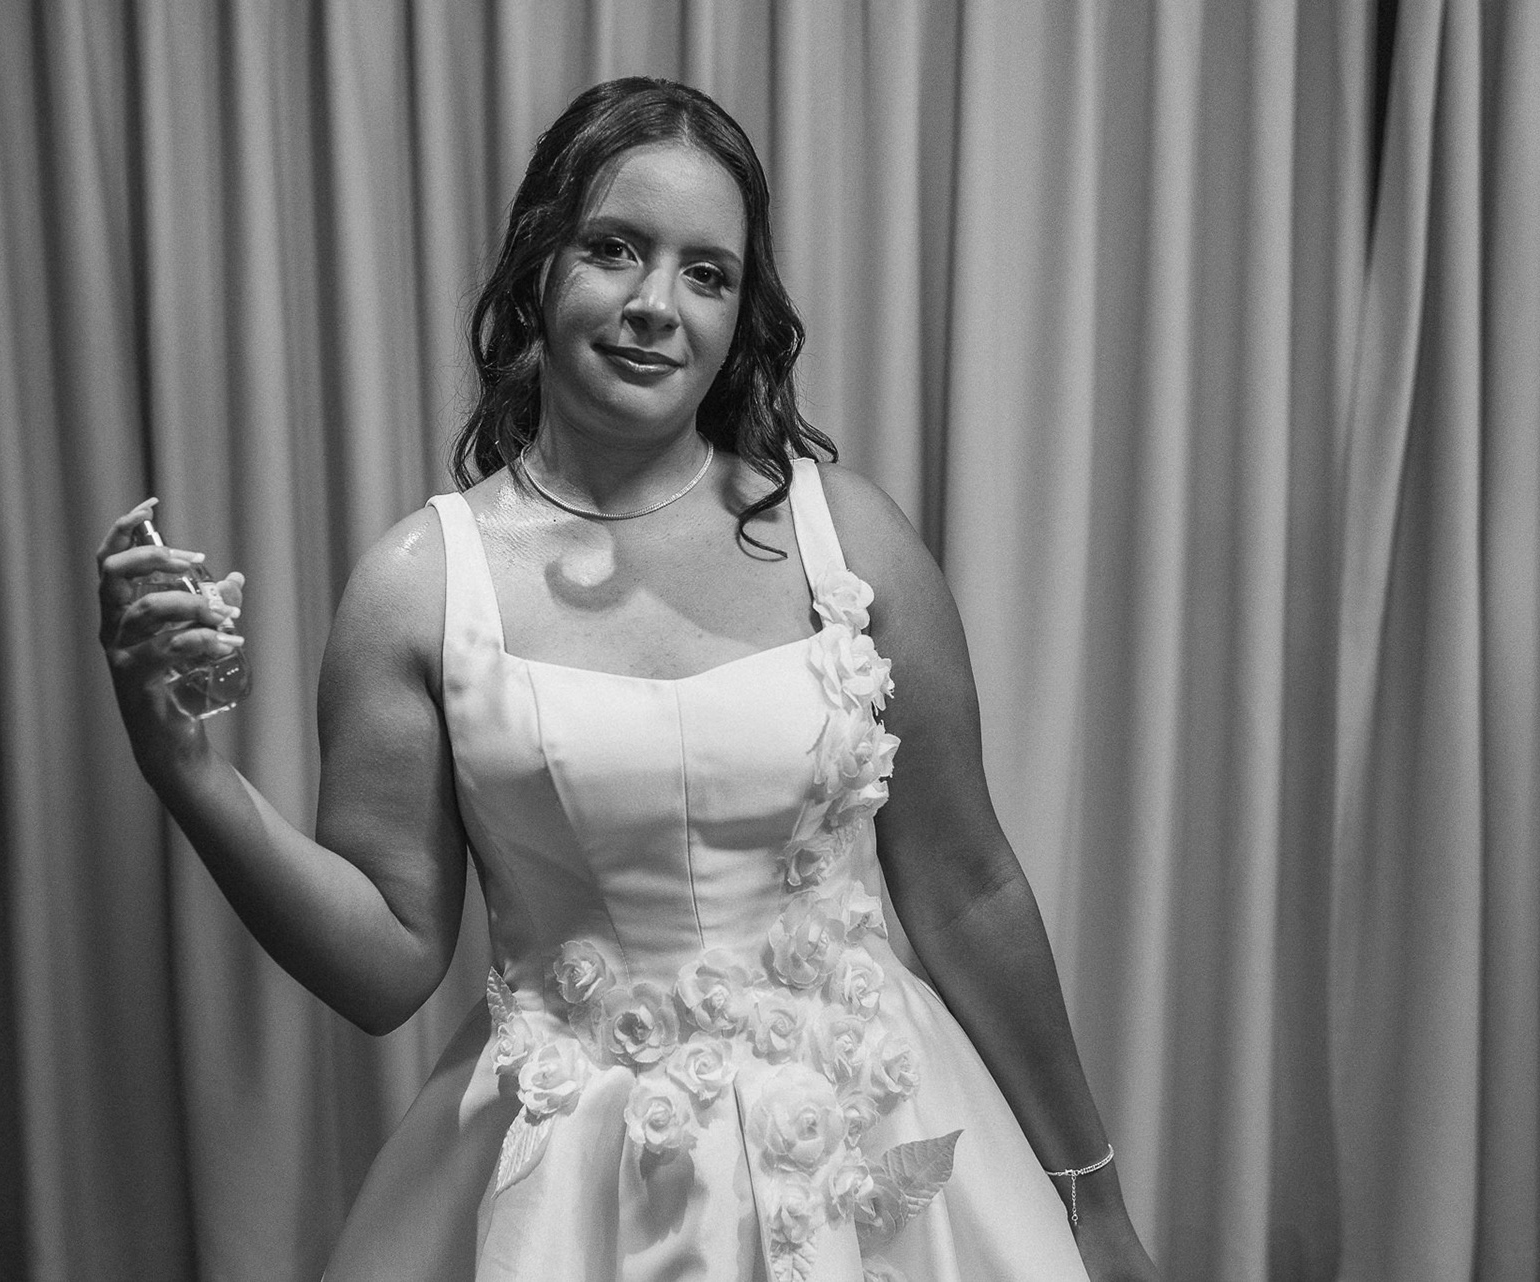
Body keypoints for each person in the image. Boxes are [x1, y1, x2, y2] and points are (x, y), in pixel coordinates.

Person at [98, 78, 1157, 1282]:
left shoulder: (848, 537)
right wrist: (184, 768)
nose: (657, 303)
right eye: (614, 249)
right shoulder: (418, 584)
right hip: (576, 1196)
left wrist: (1093, 1200)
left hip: (869, 1154)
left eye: (707, 273)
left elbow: (967, 888)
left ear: (740, 314)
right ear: (539, 265)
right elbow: (385, 964)